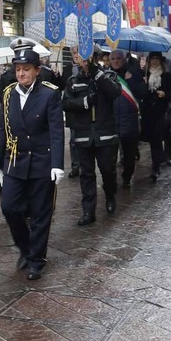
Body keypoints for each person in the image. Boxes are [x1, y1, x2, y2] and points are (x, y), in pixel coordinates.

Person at [0, 46, 65, 280]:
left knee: (41, 213)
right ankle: (25, 247)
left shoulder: (49, 93)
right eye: (18, 69)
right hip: (15, 160)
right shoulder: (9, 93)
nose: (21, 74)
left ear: (37, 71)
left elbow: (56, 131)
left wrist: (57, 164)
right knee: (9, 207)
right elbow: (2, 130)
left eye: (26, 69)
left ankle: (36, 260)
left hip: (42, 161)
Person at [62, 52, 121, 225]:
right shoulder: (73, 81)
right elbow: (66, 103)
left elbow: (114, 92)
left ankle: (110, 195)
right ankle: (88, 211)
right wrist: (85, 102)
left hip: (105, 134)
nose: (84, 61)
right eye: (81, 58)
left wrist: (97, 74)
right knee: (86, 174)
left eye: (87, 58)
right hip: (83, 134)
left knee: (107, 169)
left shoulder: (107, 76)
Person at [107, 48, 145, 188]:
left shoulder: (133, 73)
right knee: (109, 156)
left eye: (119, 58)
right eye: (113, 59)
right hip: (110, 122)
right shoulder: (105, 76)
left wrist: (132, 81)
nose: (116, 61)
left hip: (129, 121)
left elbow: (142, 93)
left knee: (129, 155)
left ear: (124, 59)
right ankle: (110, 181)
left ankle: (127, 178)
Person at [139, 52, 171, 181]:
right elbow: (141, 94)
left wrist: (164, 94)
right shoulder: (144, 75)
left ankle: (156, 167)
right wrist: (144, 84)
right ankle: (157, 164)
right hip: (147, 113)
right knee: (152, 139)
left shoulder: (167, 76)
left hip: (161, 112)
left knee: (159, 139)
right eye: (152, 59)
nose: (154, 61)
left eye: (156, 59)